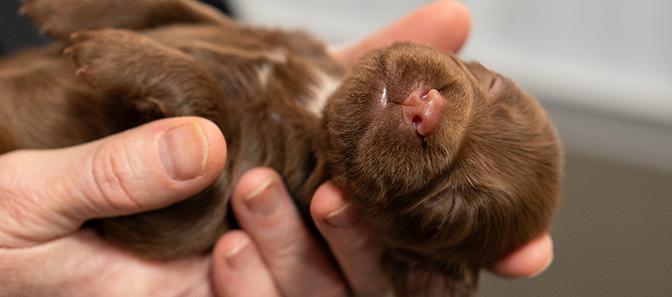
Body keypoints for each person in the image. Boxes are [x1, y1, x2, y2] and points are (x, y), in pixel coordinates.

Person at [0, 1, 553, 296]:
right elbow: (215, 31)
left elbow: (178, 223)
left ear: (421, 272)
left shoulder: (288, 201)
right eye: (491, 89)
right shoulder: (315, 62)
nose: (435, 109)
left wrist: (186, 90)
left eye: (456, 199)